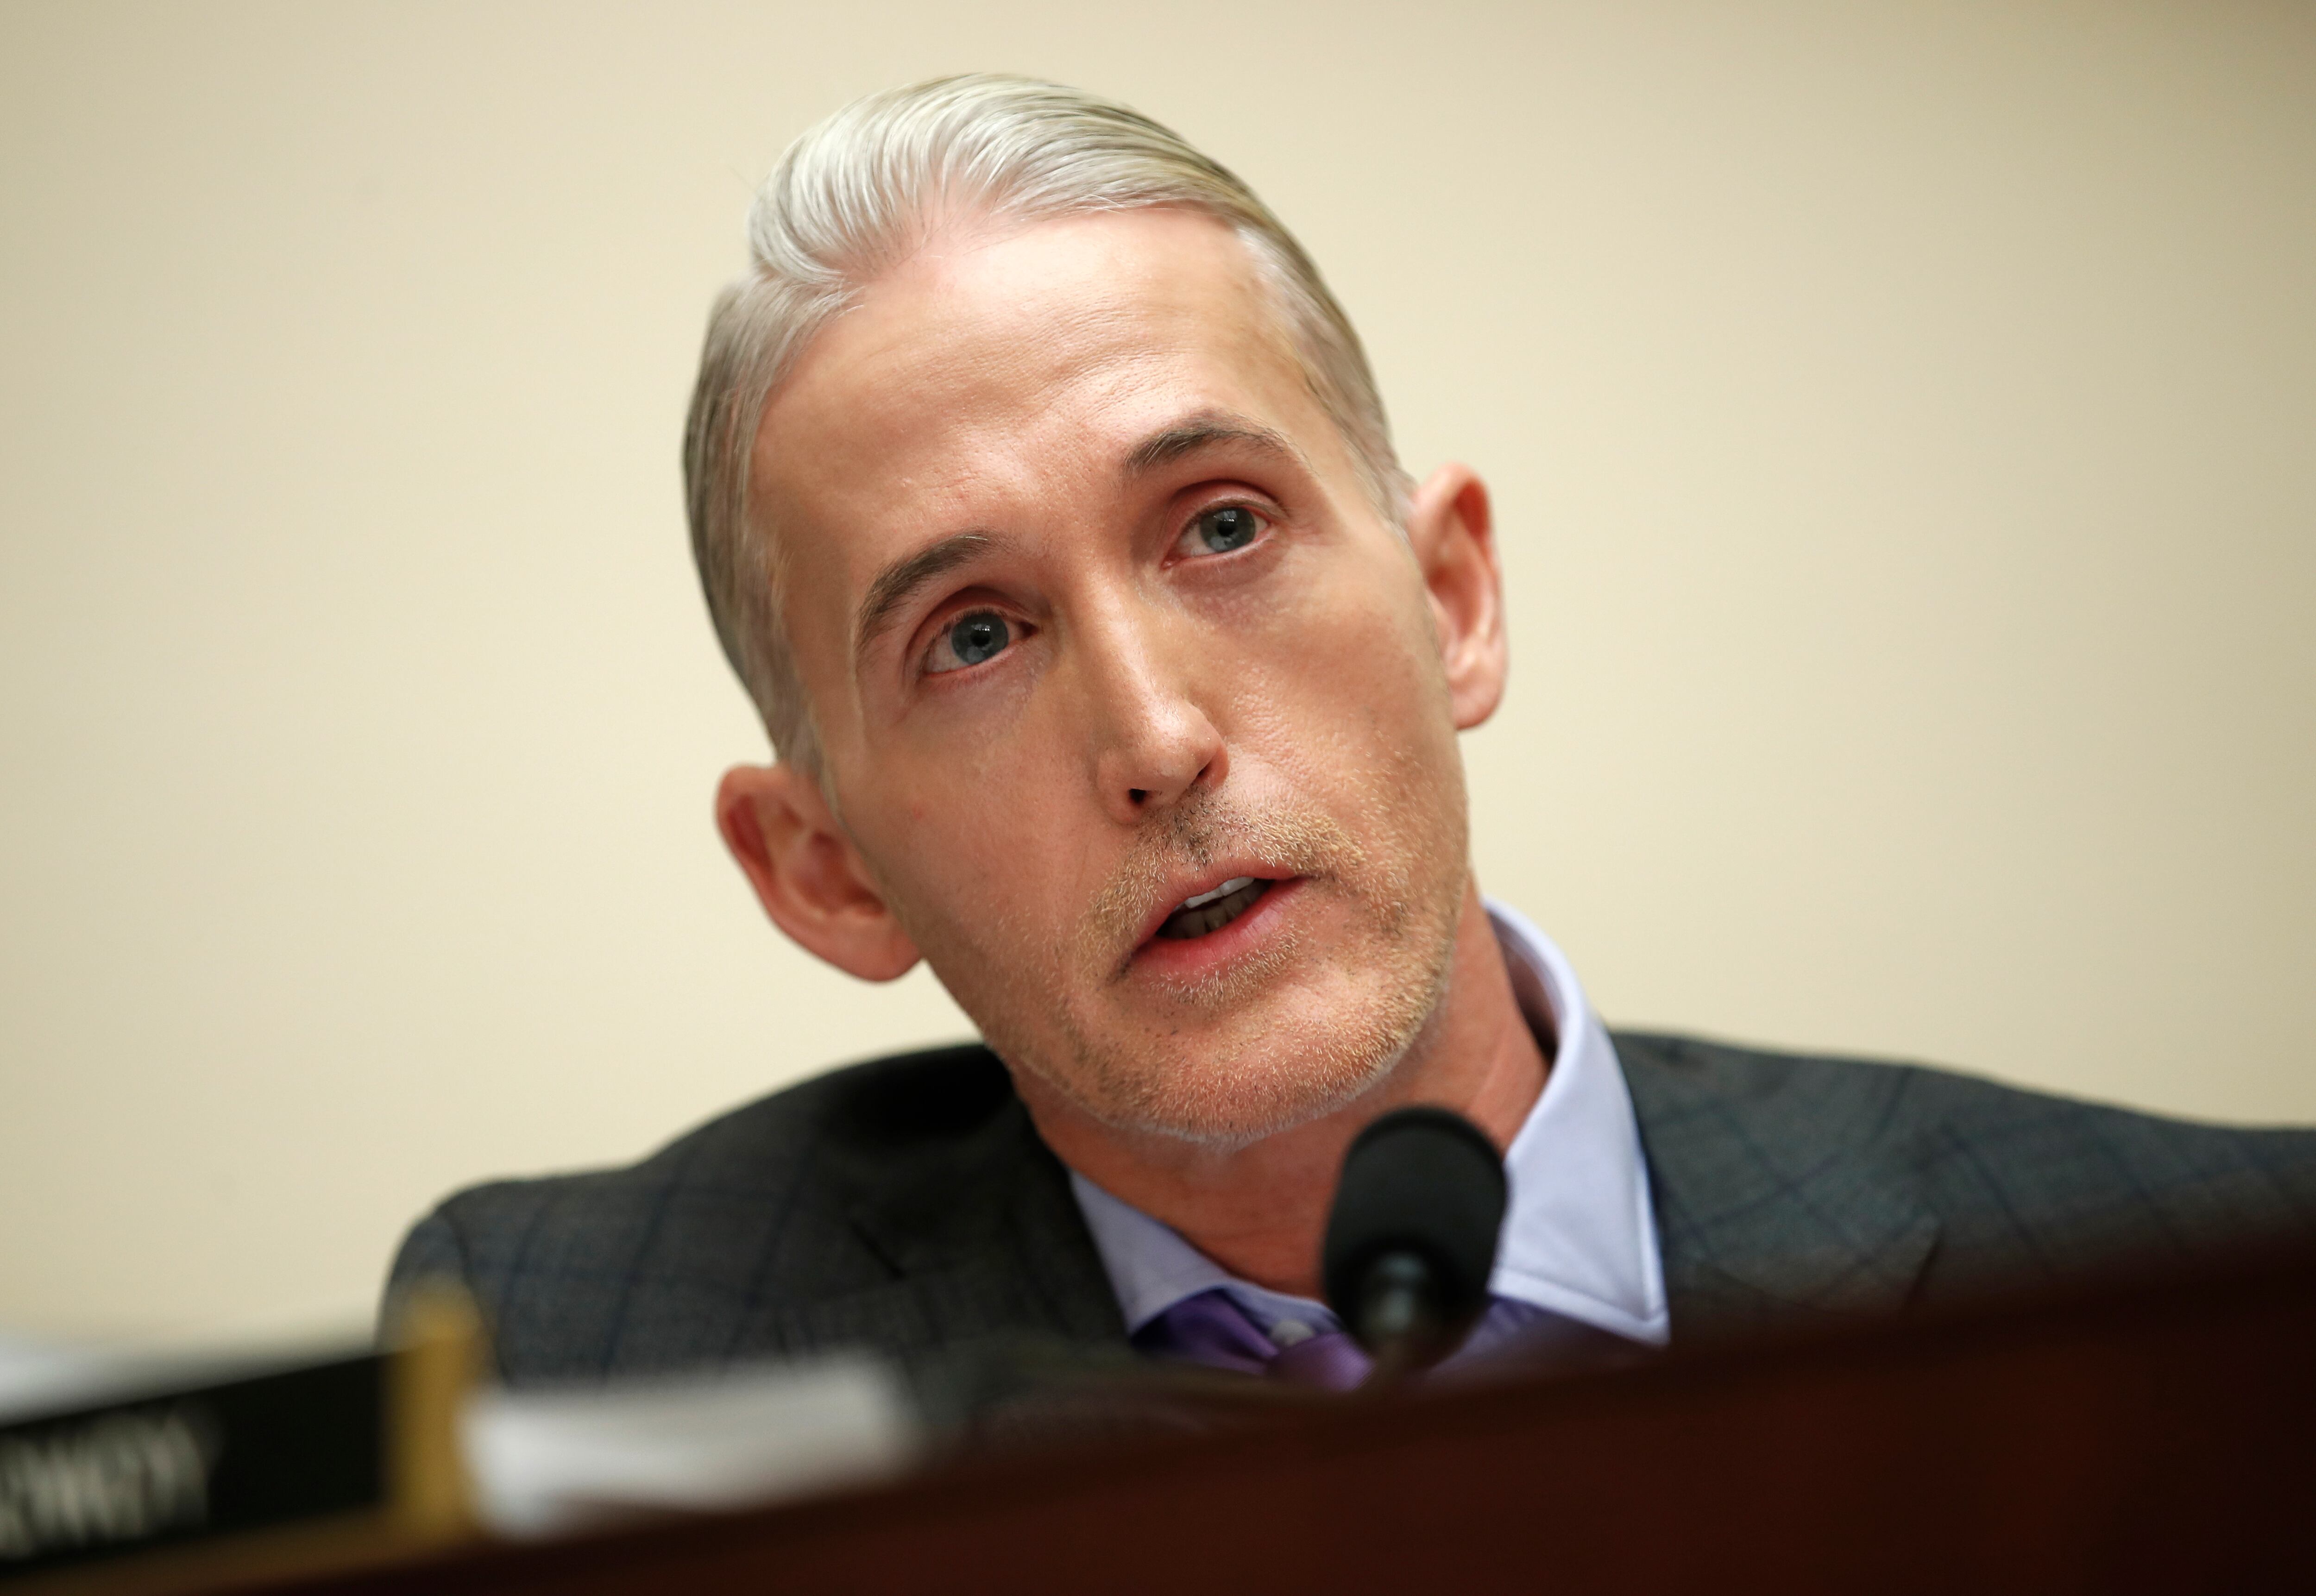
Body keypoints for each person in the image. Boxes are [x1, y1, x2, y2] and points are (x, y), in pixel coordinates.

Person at [387, 75, 2316, 1404]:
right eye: (971, 636)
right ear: (825, 872)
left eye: (1221, 527)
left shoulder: (2217, 1285)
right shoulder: (572, 1354)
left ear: (1451, 596)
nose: (1154, 741)